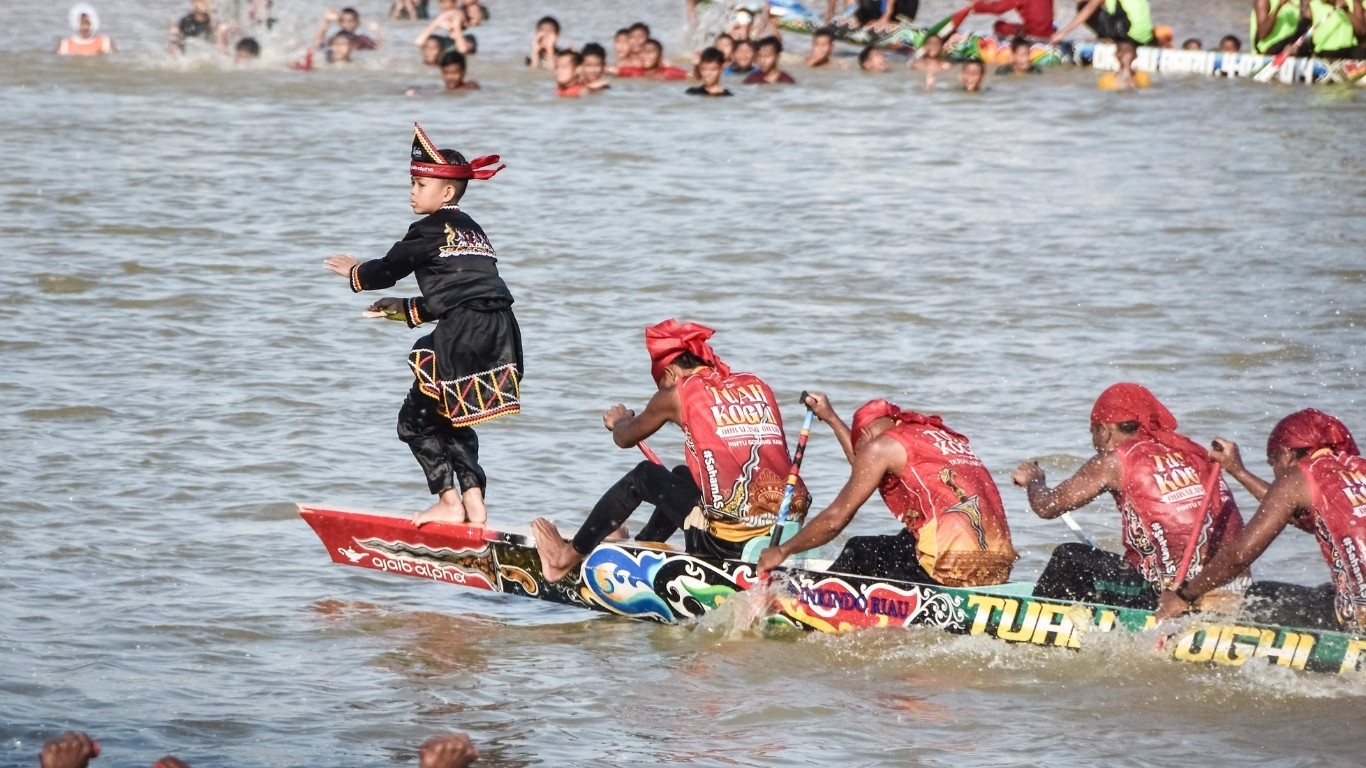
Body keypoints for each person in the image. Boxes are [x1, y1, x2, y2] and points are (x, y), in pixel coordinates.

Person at [323, 124, 521, 528]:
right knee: (454, 416)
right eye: (412, 183)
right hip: (501, 329)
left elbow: (389, 268)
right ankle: (475, 502)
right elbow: (465, 293)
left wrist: (356, 272)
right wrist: (403, 310)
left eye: (419, 183)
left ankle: (449, 502)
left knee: (413, 421)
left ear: (446, 192)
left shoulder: (427, 229)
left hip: (463, 330)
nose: (412, 191)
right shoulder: (473, 230)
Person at [531, 320, 810, 581]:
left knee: (644, 476)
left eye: (660, 385)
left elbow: (625, 438)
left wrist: (620, 420)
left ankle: (562, 560)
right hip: (788, 531)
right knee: (681, 475)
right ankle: (643, 545)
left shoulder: (678, 392)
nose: (660, 393)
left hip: (728, 544)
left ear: (669, 373)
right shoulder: (755, 384)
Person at [1012, 383, 1247, 610]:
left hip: (1171, 593)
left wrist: (1034, 479)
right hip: (1234, 587)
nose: (1094, 442)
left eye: (1093, 433)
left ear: (1104, 431)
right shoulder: (1191, 451)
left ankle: (1032, 627)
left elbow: (1047, 506)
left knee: (1069, 557)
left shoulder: (1116, 460)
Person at [758, 395, 1017, 586]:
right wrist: (831, 418)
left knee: (859, 550)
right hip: (999, 565)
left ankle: (819, 599)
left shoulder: (881, 446)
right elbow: (865, 467)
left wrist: (782, 551)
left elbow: (836, 518)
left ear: (869, 434)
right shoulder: (929, 435)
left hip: (949, 566)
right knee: (906, 538)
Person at [1154, 410, 1366, 631]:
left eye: (1272, 463)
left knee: (1262, 595)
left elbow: (1238, 556)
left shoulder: (1297, 478)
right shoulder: (1357, 470)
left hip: (1360, 619)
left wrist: (1183, 595)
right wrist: (1238, 471)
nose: (1275, 473)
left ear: (1286, 455)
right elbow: (1295, 513)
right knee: (1326, 592)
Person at [1050, 0, 1154, 46]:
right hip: (1144, 37)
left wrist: (1062, 33)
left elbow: (1088, 9)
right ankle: (1106, 38)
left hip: (1128, 35)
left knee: (1083, 7)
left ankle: (1110, 40)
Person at [970, 0, 1054, 39]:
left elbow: (998, 9)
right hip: (1049, 32)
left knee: (998, 25)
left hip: (1033, 33)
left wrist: (974, 6)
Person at [314, 8, 382, 53]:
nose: (347, 24)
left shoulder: (362, 39)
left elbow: (379, 48)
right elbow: (318, 43)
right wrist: (326, 21)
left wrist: (376, 32)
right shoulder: (334, 39)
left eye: (350, 21)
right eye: (343, 21)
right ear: (339, 22)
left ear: (357, 23)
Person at [618, 39, 690, 79]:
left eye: (650, 52)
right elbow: (610, 70)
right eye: (643, 52)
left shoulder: (668, 72)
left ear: (660, 57)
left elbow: (694, 76)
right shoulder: (635, 72)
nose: (646, 56)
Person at [829, 0, 920, 28]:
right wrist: (831, 11)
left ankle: (895, 23)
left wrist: (886, 17)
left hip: (902, 6)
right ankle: (851, 16)